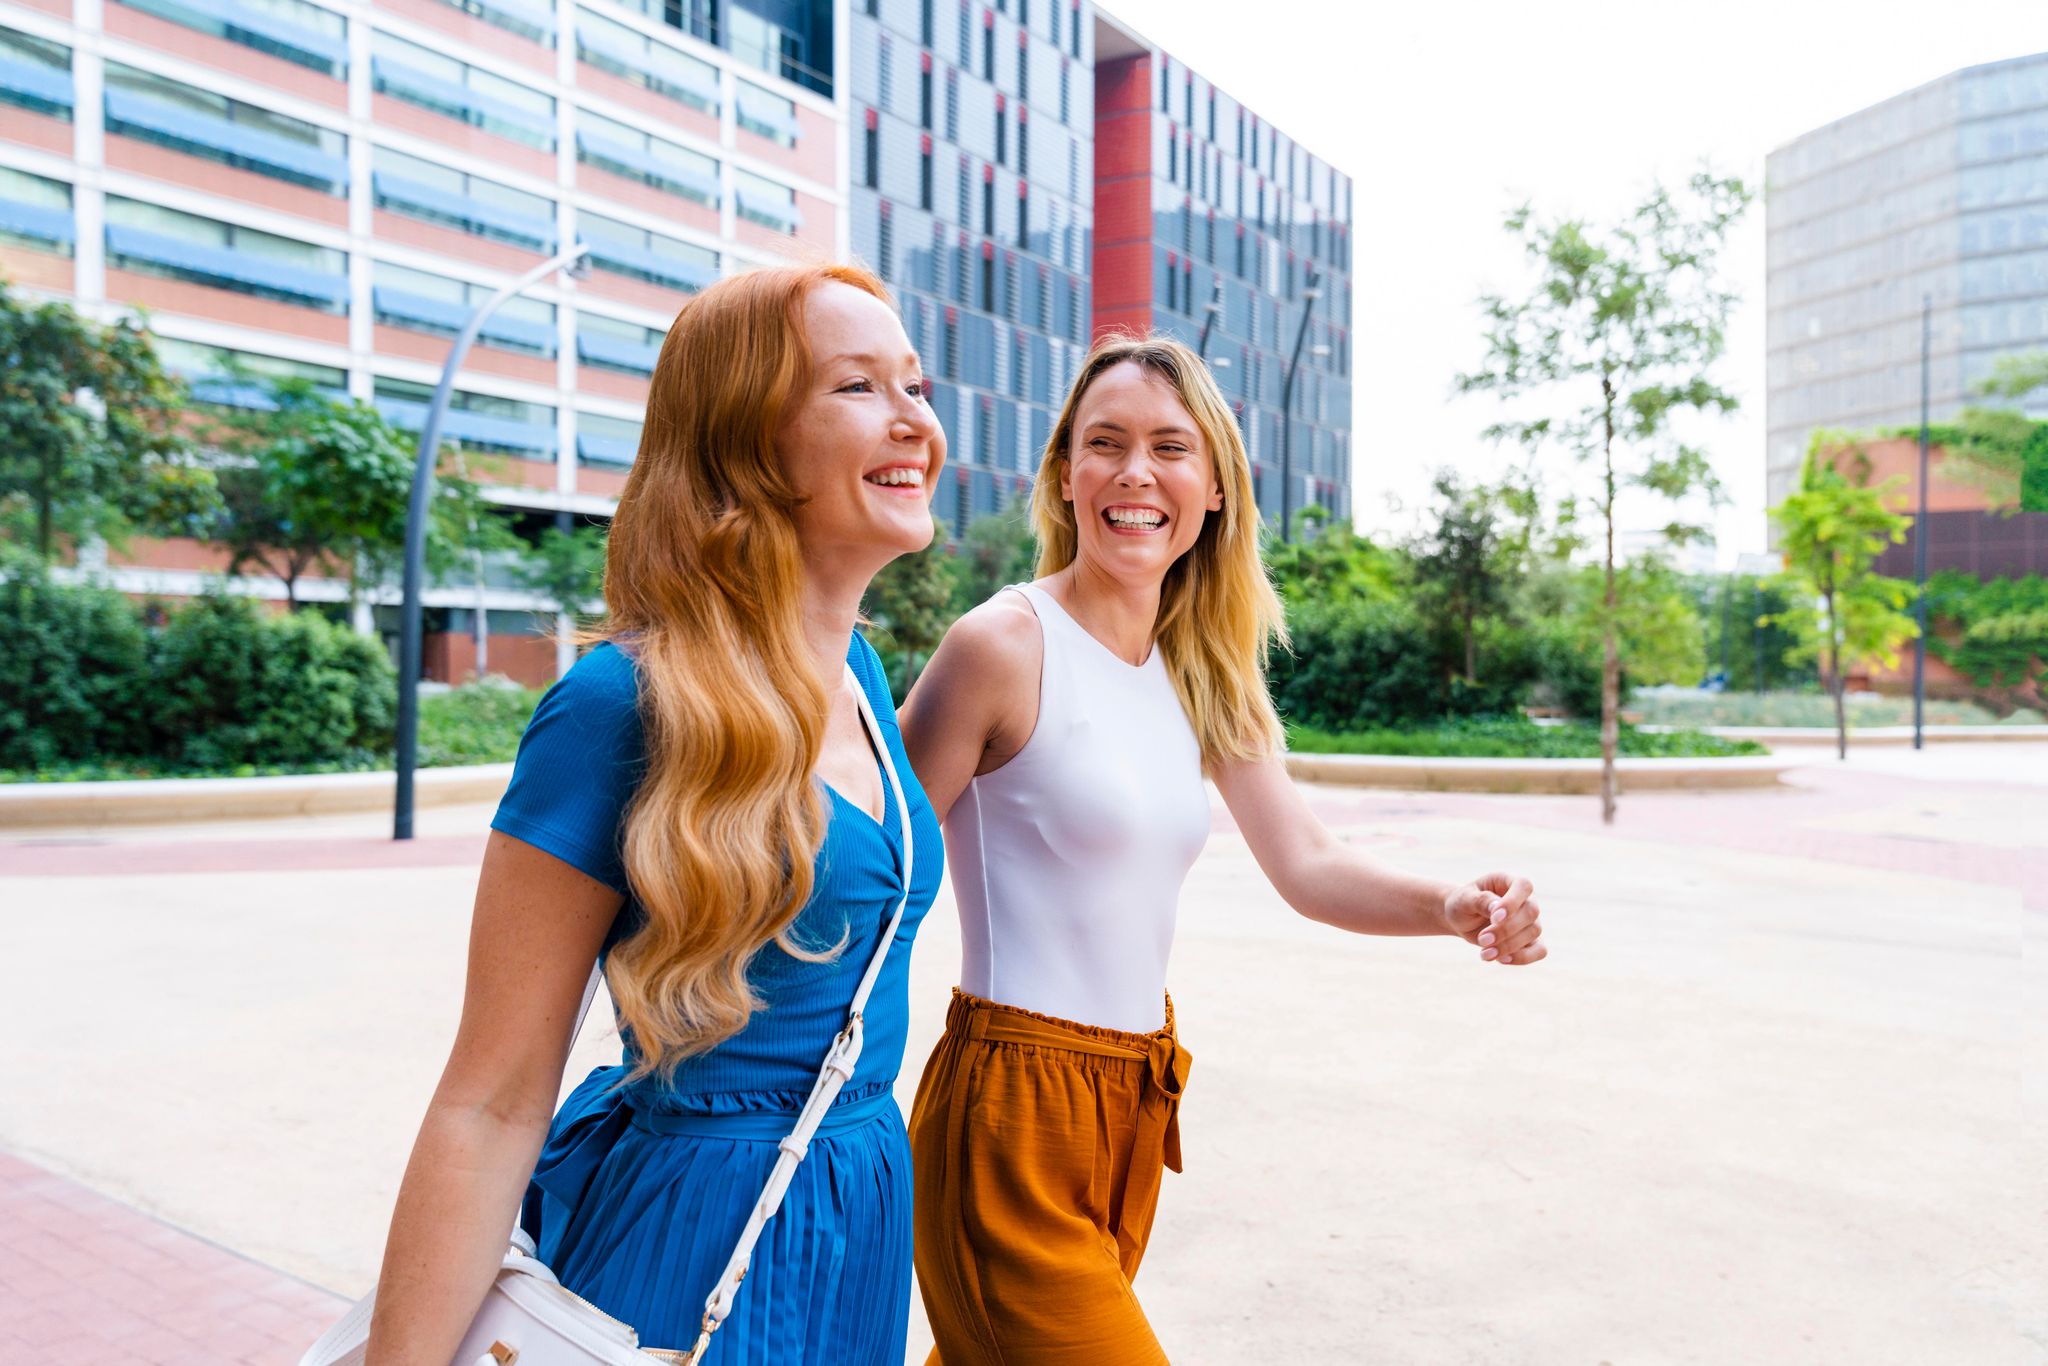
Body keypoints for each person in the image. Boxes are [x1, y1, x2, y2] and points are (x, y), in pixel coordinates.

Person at [899, 335, 1548, 1364]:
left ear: (1211, 489)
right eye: (1103, 443)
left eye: (1169, 447)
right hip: (1006, 1113)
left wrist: (1451, 905)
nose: (1133, 472)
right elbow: (873, 866)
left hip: (1132, 1104)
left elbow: (1307, 863)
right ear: (1065, 475)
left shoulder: (1205, 671)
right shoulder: (1000, 645)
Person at [361, 263, 947, 1365]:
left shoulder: (863, 674)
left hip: (857, 1203)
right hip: (690, 1228)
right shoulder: (617, 705)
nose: (914, 418)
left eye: (913, 384)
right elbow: (489, 1100)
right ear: (745, 440)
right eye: (858, 386)